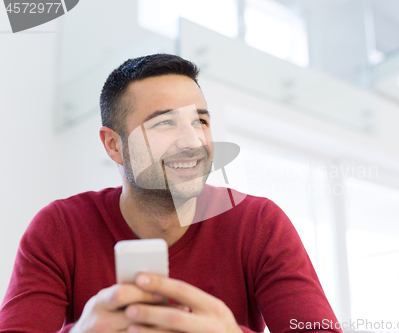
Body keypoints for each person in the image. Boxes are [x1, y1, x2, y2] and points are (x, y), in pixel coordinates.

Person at [0, 54, 341, 333]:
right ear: (113, 145)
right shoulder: (60, 228)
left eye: (200, 122)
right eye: (164, 123)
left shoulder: (259, 223)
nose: (192, 142)